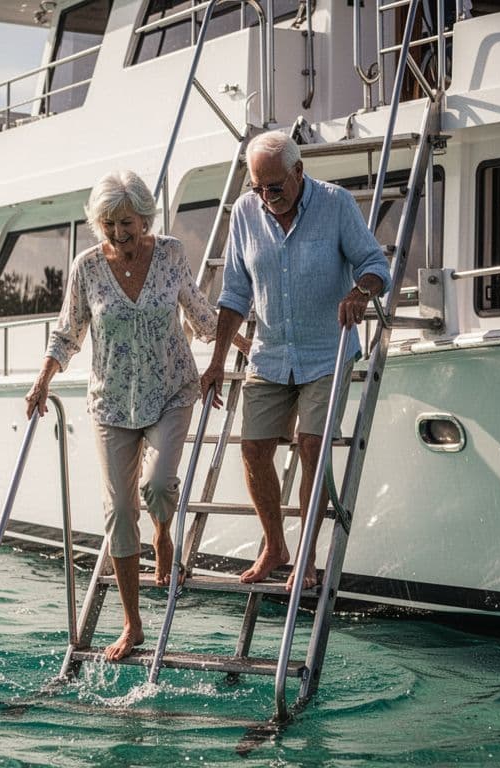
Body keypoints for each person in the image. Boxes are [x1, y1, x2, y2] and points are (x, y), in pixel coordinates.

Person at [26, 170, 223, 662]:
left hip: (173, 389)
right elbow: (67, 331)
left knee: (158, 485)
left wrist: (233, 345)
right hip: (112, 403)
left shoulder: (172, 253)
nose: (118, 233)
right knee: (118, 513)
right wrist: (43, 380)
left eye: (127, 223)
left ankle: (162, 530)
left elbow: (199, 312)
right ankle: (132, 624)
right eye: (109, 224)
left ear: (144, 216)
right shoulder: (86, 267)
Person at [199, 131, 390, 591]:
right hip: (270, 352)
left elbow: (375, 266)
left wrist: (359, 291)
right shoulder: (246, 213)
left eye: (275, 187)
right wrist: (218, 361)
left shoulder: (336, 203)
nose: (266, 197)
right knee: (253, 448)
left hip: (327, 351)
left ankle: (304, 555)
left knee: (311, 446)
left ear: (298, 172)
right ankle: (275, 546)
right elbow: (235, 294)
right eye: (258, 188)